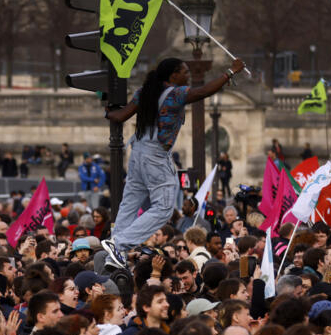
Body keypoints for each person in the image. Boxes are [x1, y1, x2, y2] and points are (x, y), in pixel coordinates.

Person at [102, 57, 246, 269]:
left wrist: (108, 112)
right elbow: (203, 91)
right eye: (185, 72)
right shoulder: (176, 94)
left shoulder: (145, 92)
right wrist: (230, 73)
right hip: (156, 156)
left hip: (138, 152)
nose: (188, 76)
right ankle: (119, 243)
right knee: (164, 208)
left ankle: (114, 256)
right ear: (173, 75)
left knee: (130, 203)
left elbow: (121, 115)